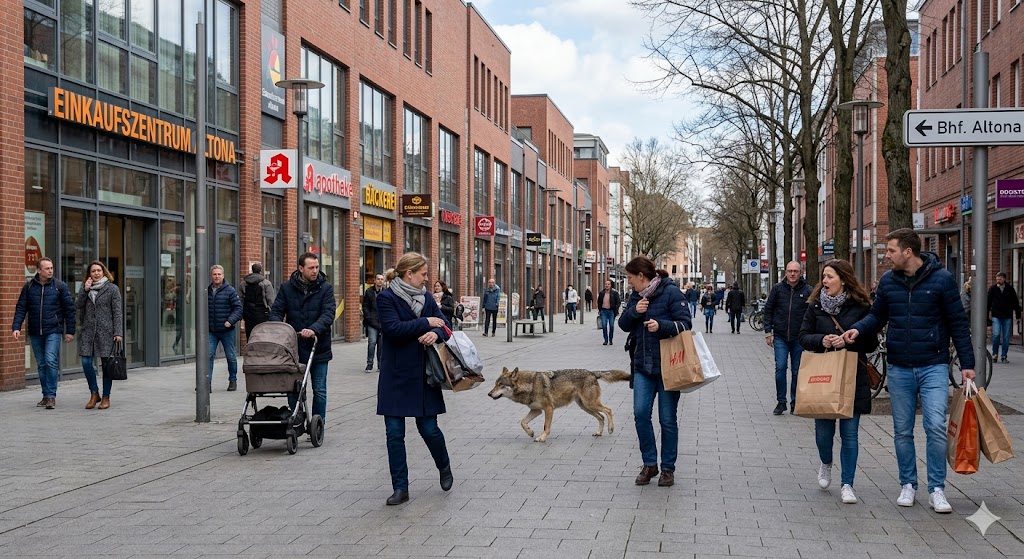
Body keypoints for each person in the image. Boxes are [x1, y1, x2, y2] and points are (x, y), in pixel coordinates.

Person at [842, 228, 974, 514]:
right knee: (902, 430)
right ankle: (908, 484)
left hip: (934, 366)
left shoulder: (942, 280)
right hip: (900, 367)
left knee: (936, 426)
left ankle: (937, 488)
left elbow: (958, 324)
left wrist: (968, 366)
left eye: (890, 251)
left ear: (908, 252)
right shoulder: (889, 282)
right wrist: (858, 329)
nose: (887, 256)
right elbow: (877, 316)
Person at [376, 252, 453, 506]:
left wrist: (434, 333)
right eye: (423, 274)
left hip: (423, 375)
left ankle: (444, 466)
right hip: (395, 375)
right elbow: (393, 329)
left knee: (429, 429)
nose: (427, 279)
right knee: (394, 433)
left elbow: (445, 325)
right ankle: (400, 488)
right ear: (409, 274)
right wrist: (425, 323)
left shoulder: (427, 298)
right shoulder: (386, 298)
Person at [799, 259, 877, 505]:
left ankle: (847, 484)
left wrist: (850, 340)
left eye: (830, 277)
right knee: (824, 434)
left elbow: (872, 343)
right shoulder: (815, 306)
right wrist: (822, 340)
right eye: (824, 276)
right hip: (823, 378)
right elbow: (803, 337)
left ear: (843, 279)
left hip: (852, 376)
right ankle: (826, 462)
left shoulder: (861, 307)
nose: (825, 281)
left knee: (850, 434)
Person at [618, 257, 691, 487]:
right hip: (642, 365)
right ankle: (649, 464)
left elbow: (685, 324)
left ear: (641, 276)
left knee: (667, 420)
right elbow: (623, 324)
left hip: (669, 366)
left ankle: (668, 469)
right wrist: (635, 312)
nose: (629, 283)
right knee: (640, 415)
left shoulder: (671, 292)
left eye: (630, 278)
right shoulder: (635, 297)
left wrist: (661, 326)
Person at [270, 252, 336, 420]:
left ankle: (318, 423)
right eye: (311, 268)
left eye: (317, 267)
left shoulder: (326, 288)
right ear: (301, 268)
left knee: (319, 389)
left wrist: (314, 329)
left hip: (318, 347)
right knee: (294, 387)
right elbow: (277, 311)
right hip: (295, 348)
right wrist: (279, 328)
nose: (315, 271)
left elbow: (328, 314)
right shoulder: (287, 288)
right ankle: (297, 419)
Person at [13, 258, 76, 409]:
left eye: (51, 268)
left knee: (50, 360)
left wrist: (70, 331)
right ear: (39, 270)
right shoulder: (29, 287)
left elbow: (69, 310)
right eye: (47, 268)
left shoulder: (59, 286)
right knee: (41, 364)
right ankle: (45, 394)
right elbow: (21, 308)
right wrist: (16, 327)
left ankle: (51, 396)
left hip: (53, 329)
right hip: (35, 331)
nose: (50, 271)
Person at [763, 261, 812, 415]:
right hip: (780, 336)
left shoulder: (808, 290)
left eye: (795, 271)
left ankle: (795, 401)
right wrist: (768, 332)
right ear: (785, 272)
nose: (792, 274)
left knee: (797, 371)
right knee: (781, 368)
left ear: (801, 272)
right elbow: (768, 310)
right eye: (790, 271)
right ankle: (781, 402)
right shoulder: (777, 289)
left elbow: (813, 314)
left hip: (799, 338)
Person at [77, 261, 124, 410]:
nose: (96, 273)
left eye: (99, 270)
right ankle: (94, 393)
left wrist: (118, 332)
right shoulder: (85, 288)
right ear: (89, 274)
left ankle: (106, 397)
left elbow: (117, 312)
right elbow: (78, 305)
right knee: (86, 362)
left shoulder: (112, 289)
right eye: (93, 271)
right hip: (88, 331)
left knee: (106, 365)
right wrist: (84, 290)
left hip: (106, 331)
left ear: (104, 272)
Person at [207, 265, 243, 391]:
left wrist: (230, 320)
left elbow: (238, 309)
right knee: (208, 355)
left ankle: (233, 380)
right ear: (211, 276)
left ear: (223, 275)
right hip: (211, 330)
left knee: (231, 356)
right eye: (214, 274)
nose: (217, 276)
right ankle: (207, 383)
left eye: (219, 274)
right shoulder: (207, 291)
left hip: (227, 330)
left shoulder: (230, 291)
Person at [987, 271, 1021, 364]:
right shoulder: (993, 289)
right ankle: (994, 354)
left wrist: (1018, 315)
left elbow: (1015, 302)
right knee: (996, 335)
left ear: (1004, 279)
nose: (998, 280)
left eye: (1000, 279)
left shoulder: (1010, 289)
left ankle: (1004, 356)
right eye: (997, 279)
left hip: (1007, 316)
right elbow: (988, 303)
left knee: (1006, 337)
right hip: (996, 315)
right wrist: (986, 317)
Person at [239, 262, 275, 340]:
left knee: (250, 336)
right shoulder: (266, 283)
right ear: (260, 270)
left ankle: (251, 351)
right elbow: (271, 300)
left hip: (248, 314)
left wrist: (241, 315)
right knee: (263, 336)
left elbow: (240, 300)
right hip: (263, 314)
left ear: (252, 270)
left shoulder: (243, 283)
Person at [362, 274, 385, 373]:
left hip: (382, 323)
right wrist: (369, 317)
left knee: (381, 344)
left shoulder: (385, 292)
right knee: (372, 342)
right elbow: (365, 306)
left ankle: (380, 365)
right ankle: (369, 364)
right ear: (375, 281)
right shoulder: (369, 292)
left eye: (382, 279)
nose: (380, 281)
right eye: (378, 279)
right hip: (372, 322)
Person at [596, 279, 621, 345]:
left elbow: (618, 302)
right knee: (604, 325)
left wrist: (616, 309)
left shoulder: (614, 293)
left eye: (608, 284)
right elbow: (599, 302)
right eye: (606, 284)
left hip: (611, 311)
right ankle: (606, 340)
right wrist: (600, 310)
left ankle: (610, 339)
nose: (607, 285)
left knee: (611, 326)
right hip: (603, 311)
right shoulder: (601, 293)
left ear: (611, 285)